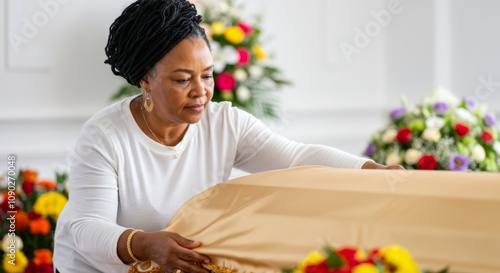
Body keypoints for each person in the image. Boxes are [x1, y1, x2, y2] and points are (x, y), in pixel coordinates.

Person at [53, 0, 403, 272]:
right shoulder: (104, 136)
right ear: (145, 80)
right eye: (181, 79)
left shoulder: (225, 123)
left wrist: (371, 171)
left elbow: (296, 157)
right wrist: (145, 244)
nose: (200, 91)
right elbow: (86, 227)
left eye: (207, 75)